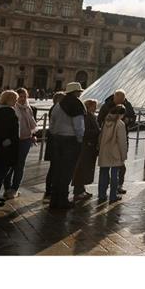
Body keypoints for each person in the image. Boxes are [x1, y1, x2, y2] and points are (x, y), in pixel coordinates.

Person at [48, 82, 85, 210]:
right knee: (67, 172)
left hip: (57, 140)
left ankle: (54, 200)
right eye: (79, 92)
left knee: (57, 170)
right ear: (76, 92)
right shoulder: (77, 104)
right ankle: (63, 200)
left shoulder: (58, 105)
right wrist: (80, 140)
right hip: (71, 141)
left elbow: (51, 124)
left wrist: (55, 134)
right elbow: (79, 126)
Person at [97, 90, 136, 194]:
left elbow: (133, 118)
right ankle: (111, 192)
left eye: (122, 100)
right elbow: (99, 121)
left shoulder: (127, 105)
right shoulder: (106, 107)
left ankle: (113, 188)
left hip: (107, 141)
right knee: (112, 168)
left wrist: (129, 121)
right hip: (111, 141)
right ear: (114, 98)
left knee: (112, 168)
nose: (121, 102)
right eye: (119, 100)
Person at [2, 88, 37, 199]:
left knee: (20, 165)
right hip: (14, 140)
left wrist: (33, 135)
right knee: (10, 165)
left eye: (25, 96)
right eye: (20, 96)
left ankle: (15, 188)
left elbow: (31, 124)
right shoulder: (12, 108)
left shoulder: (29, 108)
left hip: (26, 139)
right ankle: (7, 188)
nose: (22, 99)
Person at [97, 105, 128, 203]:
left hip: (104, 151)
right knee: (115, 175)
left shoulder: (105, 122)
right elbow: (122, 142)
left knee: (103, 173)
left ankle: (102, 194)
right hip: (116, 152)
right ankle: (113, 195)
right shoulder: (120, 124)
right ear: (121, 114)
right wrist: (124, 155)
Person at [72, 99, 100, 200]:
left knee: (85, 168)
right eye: (94, 106)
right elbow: (86, 131)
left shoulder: (90, 116)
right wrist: (98, 132)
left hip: (89, 146)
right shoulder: (87, 116)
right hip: (87, 146)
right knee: (82, 168)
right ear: (89, 106)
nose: (96, 108)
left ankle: (82, 189)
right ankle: (78, 191)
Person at [43, 91, 65, 199]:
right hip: (55, 142)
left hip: (53, 141)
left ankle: (50, 188)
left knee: (54, 167)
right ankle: (49, 189)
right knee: (54, 167)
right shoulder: (56, 109)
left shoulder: (54, 109)